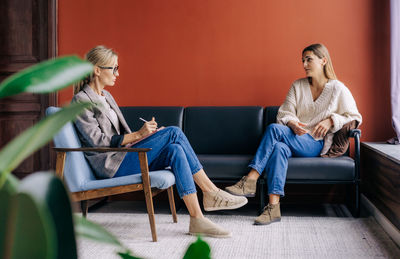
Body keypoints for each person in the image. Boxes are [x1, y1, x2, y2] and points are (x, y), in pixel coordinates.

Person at [72, 45, 248, 238]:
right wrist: (138, 135)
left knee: (175, 150)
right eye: (113, 68)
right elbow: (98, 142)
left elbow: (123, 136)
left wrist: (146, 136)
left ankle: (197, 219)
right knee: (174, 132)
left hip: (125, 155)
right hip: (111, 165)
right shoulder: (81, 101)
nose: (117, 74)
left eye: (117, 68)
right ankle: (211, 191)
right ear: (97, 70)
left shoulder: (107, 97)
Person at [226, 43, 362, 225]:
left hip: (315, 142)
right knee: (279, 149)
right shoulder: (297, 85)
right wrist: (292, 123)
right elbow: (284, 112)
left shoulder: (338, 89)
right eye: (303, 60)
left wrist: (331, 120)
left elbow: (354, 116)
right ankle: (273, 208)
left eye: (309, 60)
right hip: (292, 137)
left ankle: (250, 179)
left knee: (274, 129)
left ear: (323, 60)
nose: (305, 64)